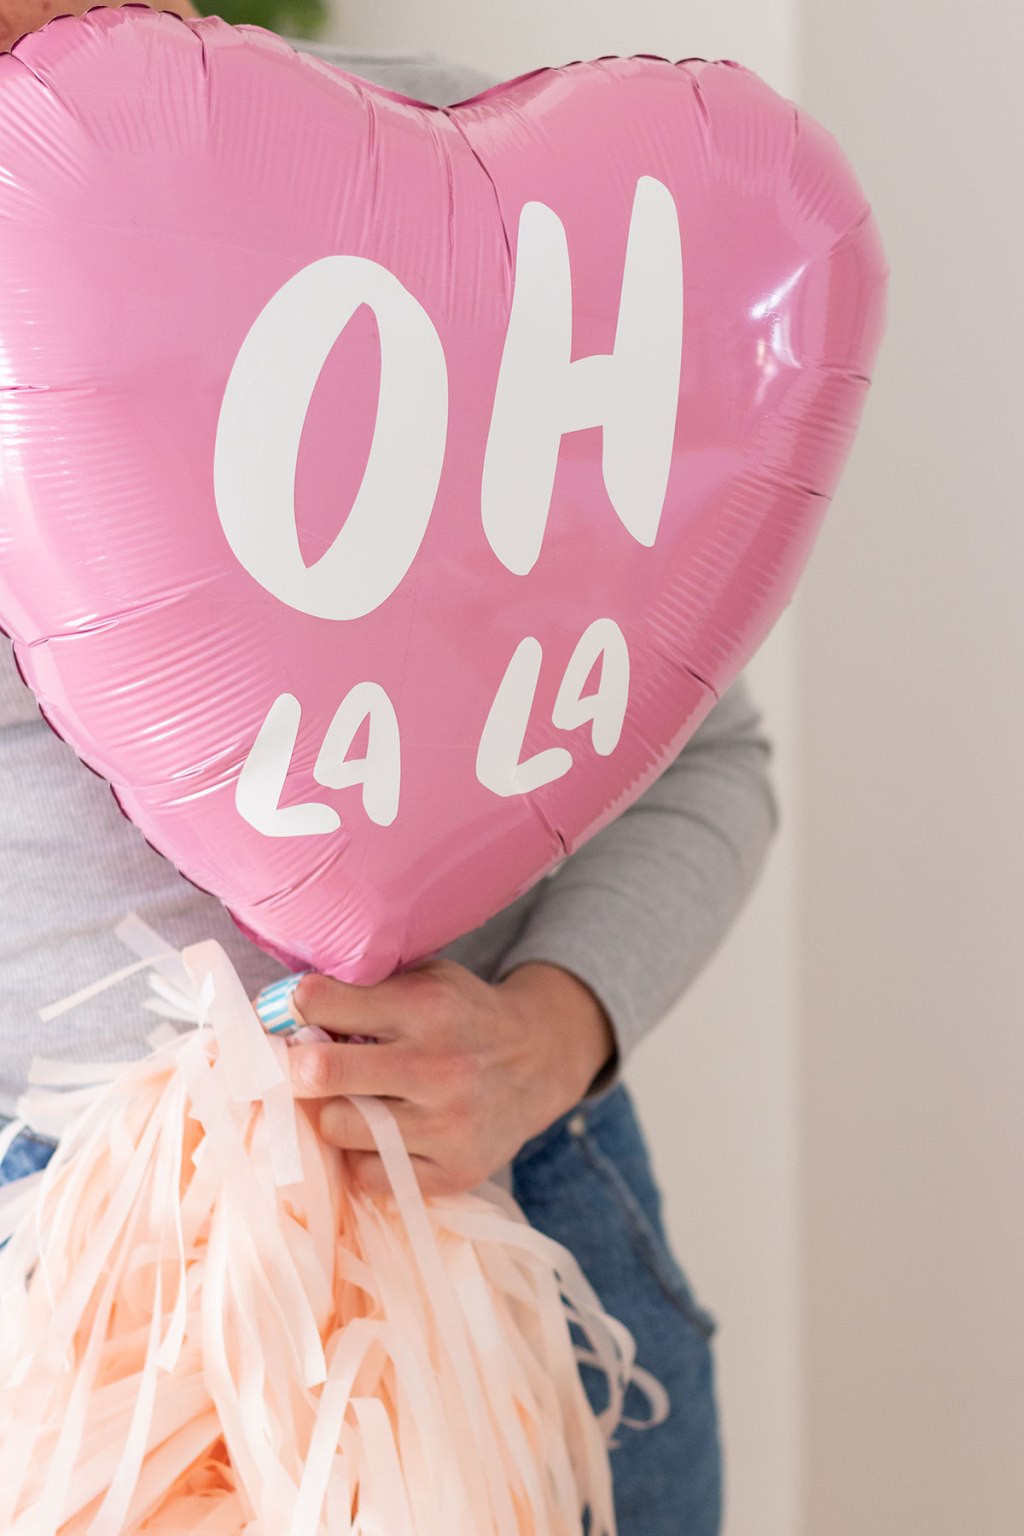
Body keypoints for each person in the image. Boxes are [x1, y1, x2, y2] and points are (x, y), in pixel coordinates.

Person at [0, 6, 780, 1532]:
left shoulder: (452, 178)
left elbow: (710, 758)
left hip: (519, 1226)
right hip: (59, 1276)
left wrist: (546, 1047)